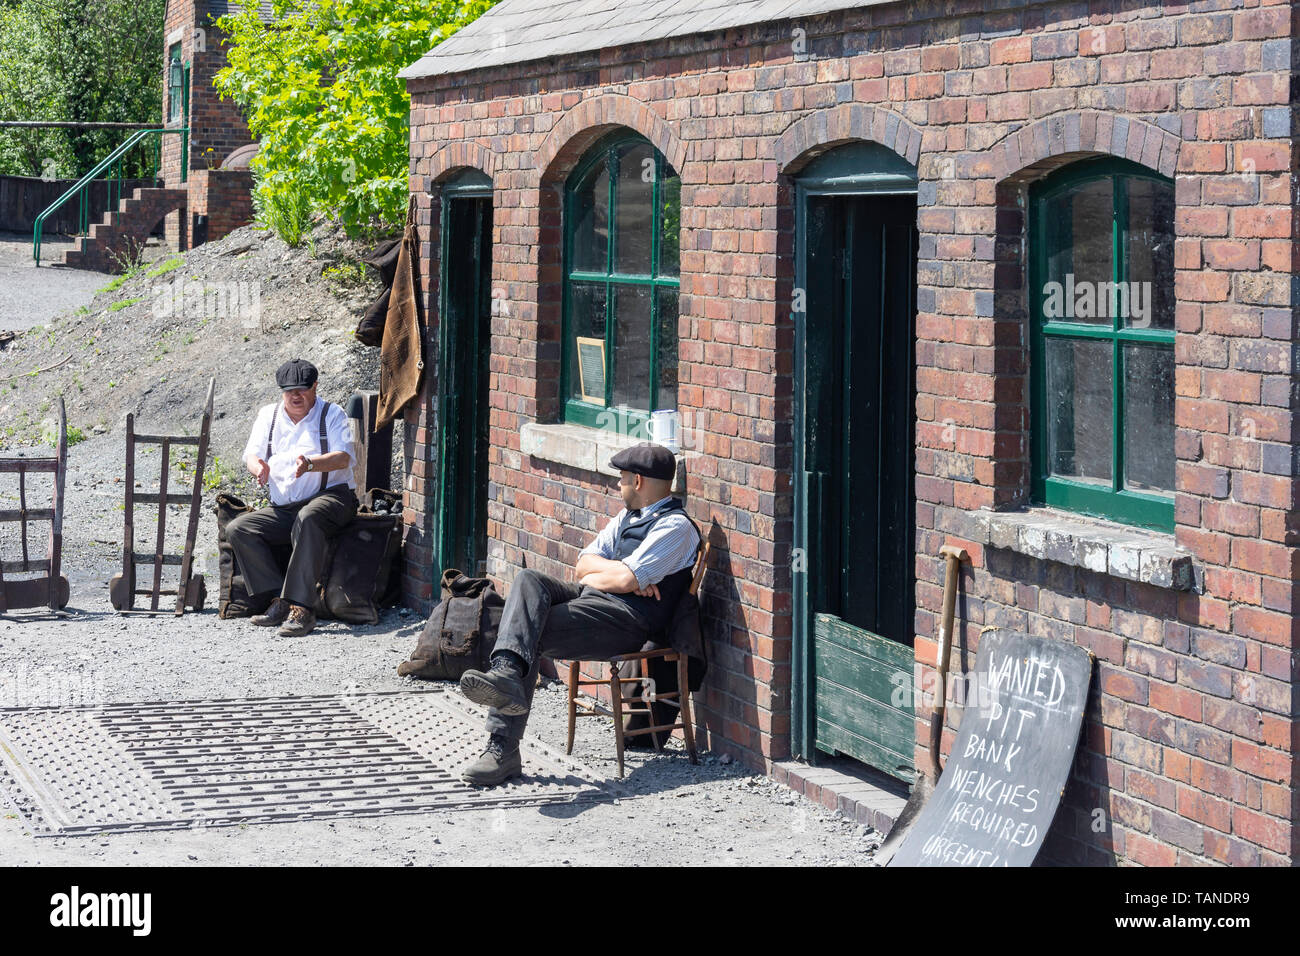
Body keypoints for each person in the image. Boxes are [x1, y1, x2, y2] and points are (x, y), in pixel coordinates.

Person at [458, 442, 701, 787]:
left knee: (529, 631)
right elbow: (583, 564)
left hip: (625, 619)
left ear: (640, 481)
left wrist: (625, 580)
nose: (618, 485)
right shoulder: (627, 517)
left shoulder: (675, 528)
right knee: (529, 581)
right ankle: (507, 673)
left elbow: (624, 578)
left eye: (622, 479)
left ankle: (502, 749)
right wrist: (623, 577)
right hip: (595, 598)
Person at [226, 359, 358, 637]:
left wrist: (311, 464)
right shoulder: (269, 416)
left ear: (315, 387)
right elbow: (251, 455)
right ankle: (280, 600)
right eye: (289, 391)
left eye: (302, 390)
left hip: (331, 498)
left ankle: (303, 610)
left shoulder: (331, 414)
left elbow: (344, 457)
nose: (295, 396)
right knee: (239, 528)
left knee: (308, 517)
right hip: (284, 507)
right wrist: (258, 467)